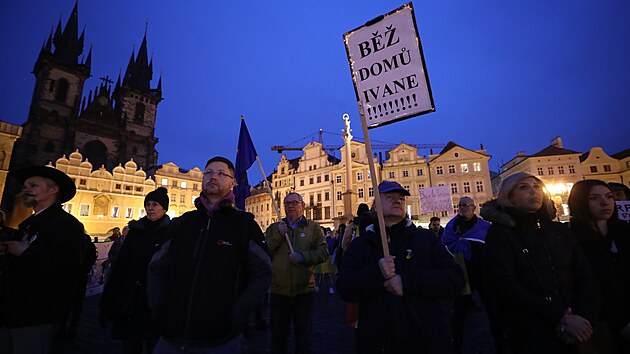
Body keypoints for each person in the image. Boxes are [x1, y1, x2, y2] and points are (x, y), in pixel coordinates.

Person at [148, 156, 271, 353]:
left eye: (221, 173)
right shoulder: (182, 223)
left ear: (232, 182)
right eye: (209, 173)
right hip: (170, 335)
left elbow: (263, 272)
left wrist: (236, 314)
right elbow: (157, 267)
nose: (213, 176)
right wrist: (159, 307)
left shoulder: (244, 225)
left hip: (220, 340)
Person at [337, 180, 465, 353]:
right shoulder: (361, 244)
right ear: (375, 206)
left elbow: (455, 279)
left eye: (401, 198)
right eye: (390, 197)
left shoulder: (426, 239)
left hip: (425, 340)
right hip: (377, 342)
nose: (398, 200)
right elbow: (345, 288)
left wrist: (407, 283)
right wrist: (376, 272)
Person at [480, 172, 600, 354]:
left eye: (537, 187)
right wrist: (561, 318)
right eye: (523, 187)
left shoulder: (560, 230)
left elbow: (587, 276)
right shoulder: (500, 234)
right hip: (532, 331)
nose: (533, 192)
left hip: (579, 326)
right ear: (509, 196)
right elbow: (505, 286)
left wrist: (582, 317)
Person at [0, 166, 85, 354]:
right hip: (12, 311)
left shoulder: (66, 224)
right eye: (25, 185)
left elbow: (68, 264)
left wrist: (25, 252)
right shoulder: (30, 222)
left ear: (53, 190)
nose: (26, 189)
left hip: (35, 314)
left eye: (33, 185)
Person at [100, 187, 172, 354]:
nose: (150, 208)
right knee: (131, 345)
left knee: (154, 345)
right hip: (131, 297)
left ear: (164, 208)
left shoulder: (171, 232)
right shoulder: (136, 231)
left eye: (155, 204)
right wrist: (108, 301)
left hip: (156, 298)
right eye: (147, 204)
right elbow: (121, 266)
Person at [569, 179, 630, 352]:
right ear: (580, 202)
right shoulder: (570, 239)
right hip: (603, 323)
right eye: (593, 198)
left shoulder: (624, 231)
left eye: (609, 196)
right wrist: (620, 322)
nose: (605, 202)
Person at [265, 192, 328, 354]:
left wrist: (303, 257)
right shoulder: (274, 227)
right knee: (278, 338)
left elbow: (323, 253)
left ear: (303, 205)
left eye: (294, 202)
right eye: (287, 204)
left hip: (304, 291)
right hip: (279, 291)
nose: (290, 206)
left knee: (303, 338)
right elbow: (266, 251)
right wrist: (279, 235)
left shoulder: (313, 228)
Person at [441, 196, 491, 354]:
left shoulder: (484, 226)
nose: (462, 208)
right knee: (459, 313)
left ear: (474, 208)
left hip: (482, 273)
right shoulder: (452, 225)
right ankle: (457, 344)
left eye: (466, 205)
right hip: (461, 273)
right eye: (460, 205)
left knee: (488, 308)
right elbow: (446, 243)